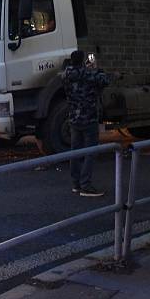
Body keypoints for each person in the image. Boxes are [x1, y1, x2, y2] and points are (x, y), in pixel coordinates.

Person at [63, 50, 110, 197]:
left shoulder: (66, 75)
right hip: (88, 118)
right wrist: (95, 68)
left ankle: (76, 184)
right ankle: (86, 185)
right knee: (90, 152)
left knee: (75, 151)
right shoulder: (88, 74)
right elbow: (105, 80)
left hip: (73, 118)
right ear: (82, 60)